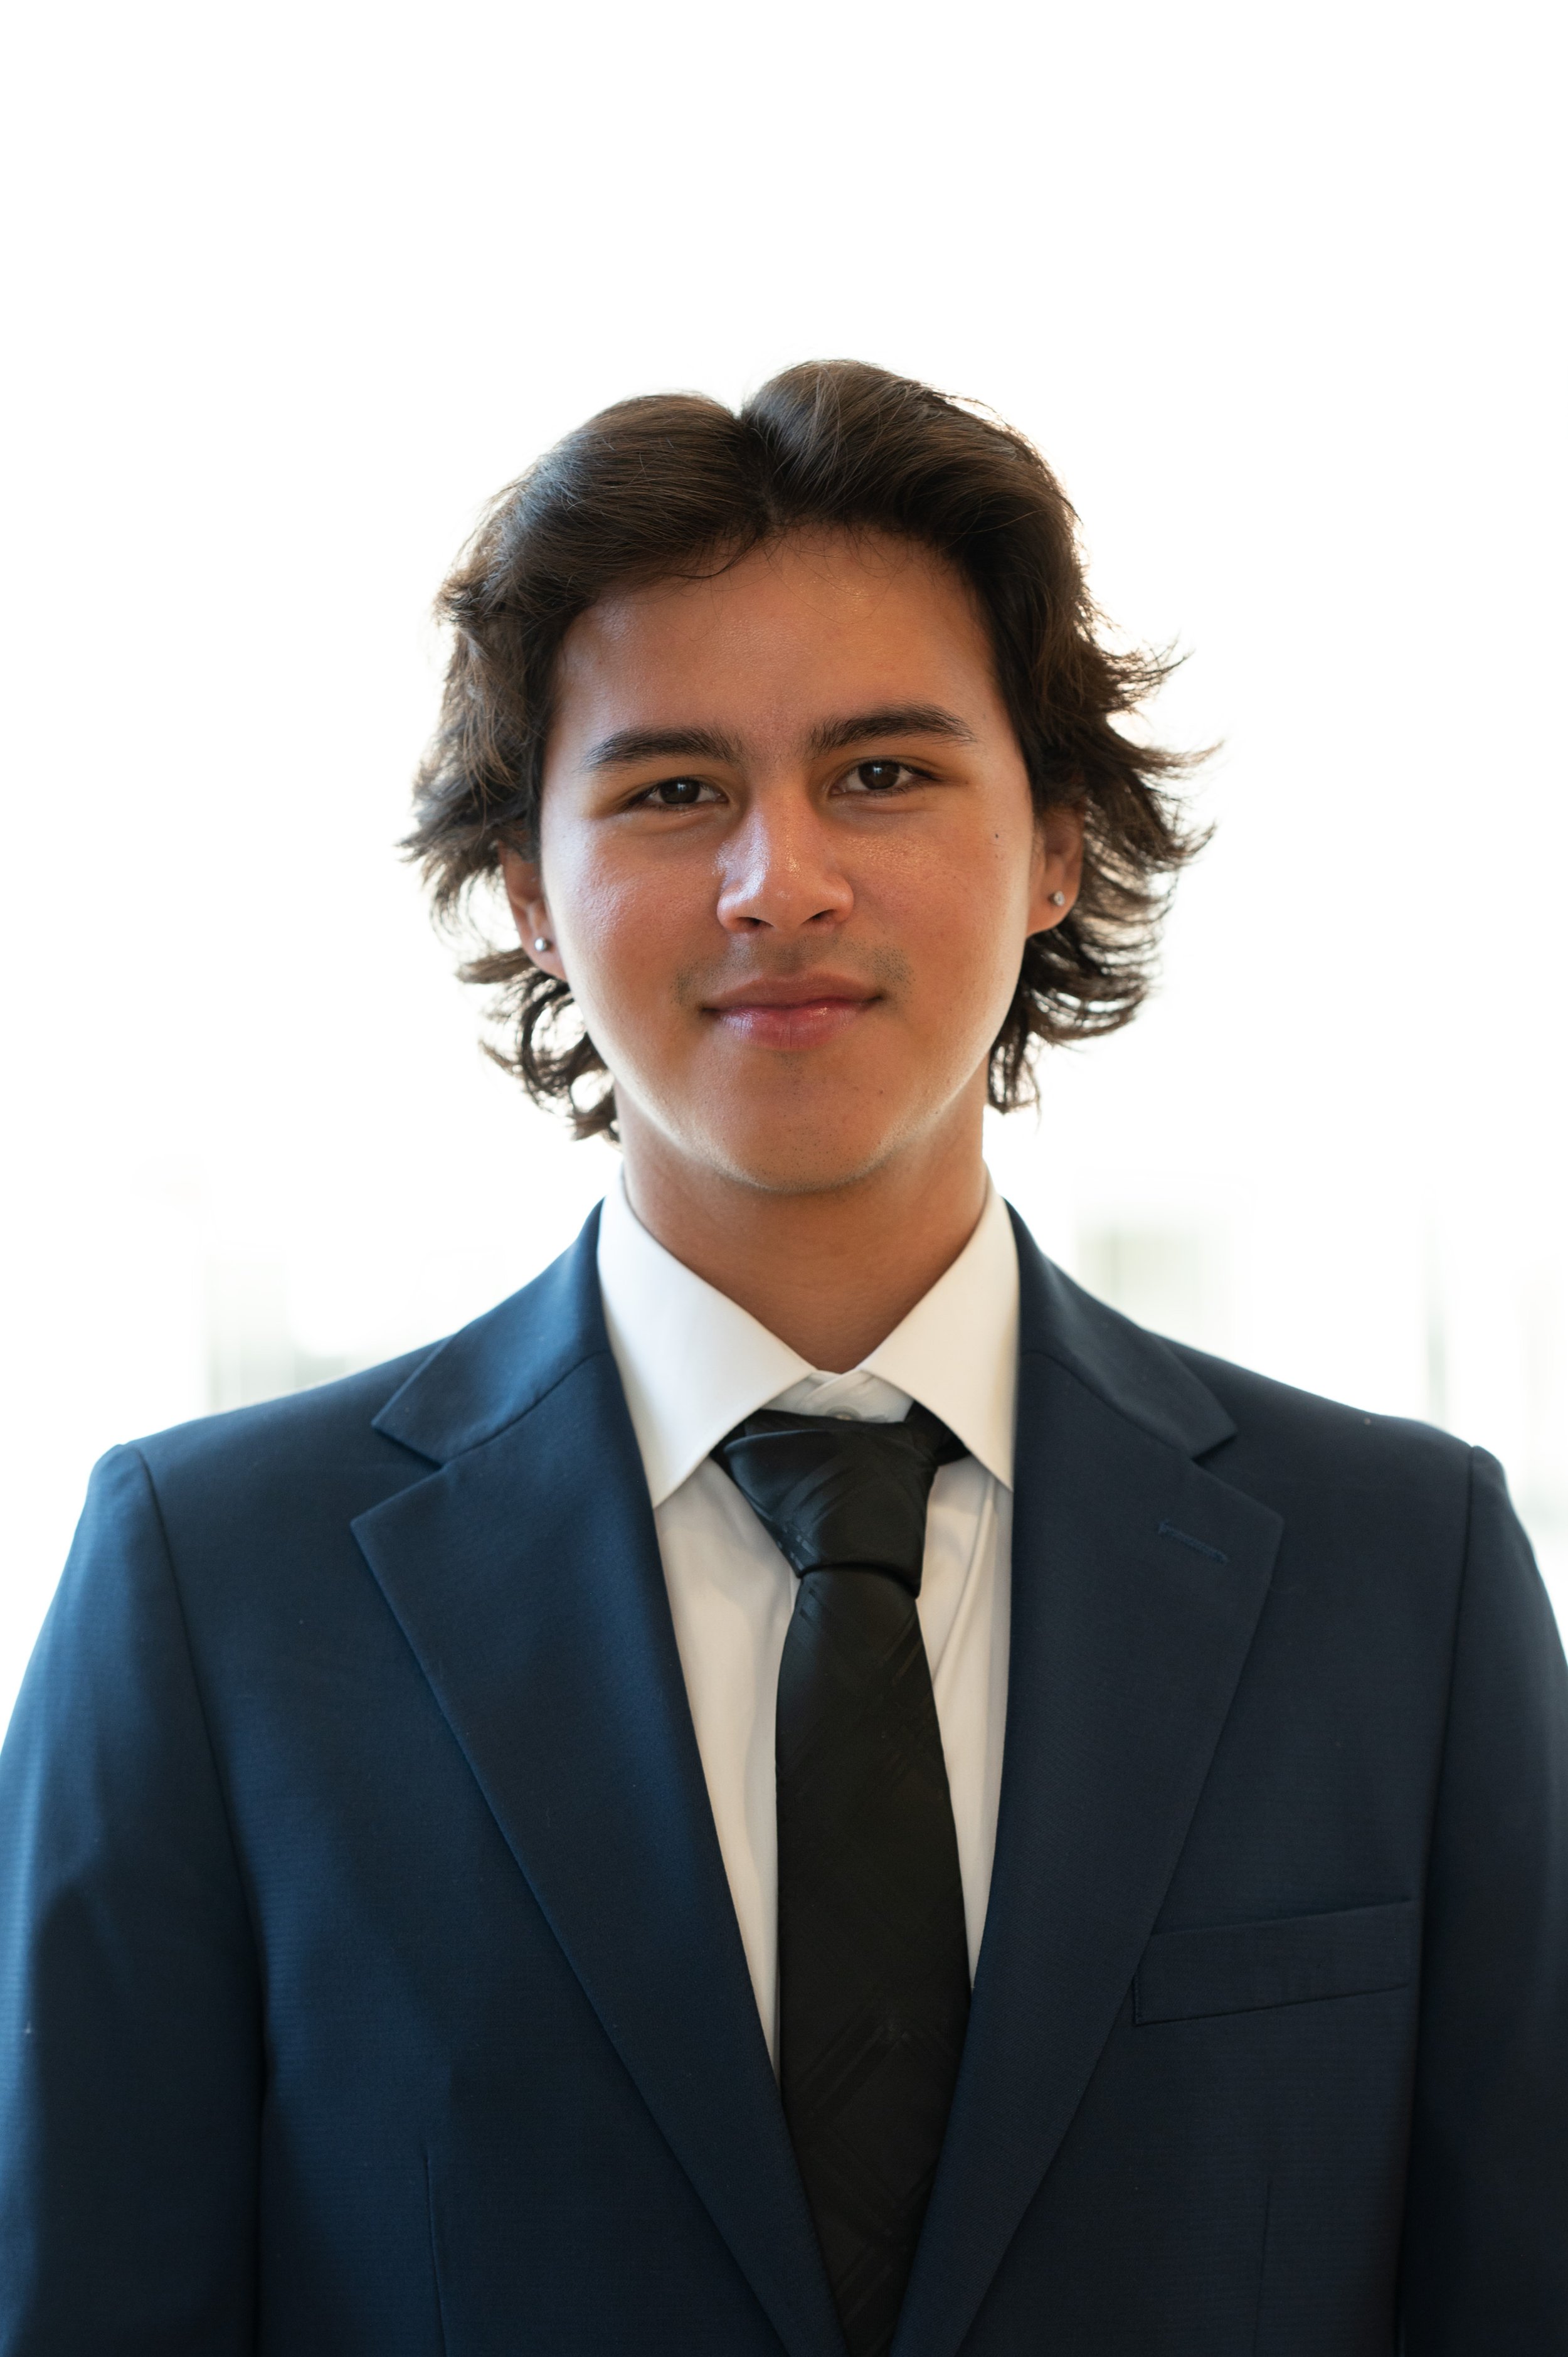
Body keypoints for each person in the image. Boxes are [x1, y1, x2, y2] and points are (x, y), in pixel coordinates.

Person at [1, 361, 1564, 2357]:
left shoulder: (1397, 1574)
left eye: (884, 774)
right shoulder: (212, 1590)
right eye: (670, 791)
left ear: (1060, 848)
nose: (781, 881)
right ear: (525, 894)